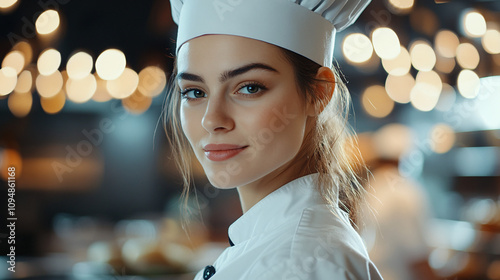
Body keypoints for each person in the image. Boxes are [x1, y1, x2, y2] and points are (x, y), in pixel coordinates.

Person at [164, 0, 383, 279]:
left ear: (319, 94)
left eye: (249, 88)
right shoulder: (286, 250)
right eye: (194, 92)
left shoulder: (298, 266)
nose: (212, 119)